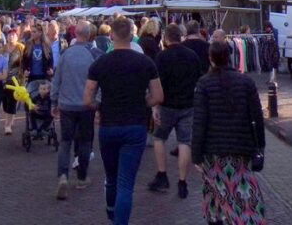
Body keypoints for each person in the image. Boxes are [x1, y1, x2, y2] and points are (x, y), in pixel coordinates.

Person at [84, 17, 164, 225]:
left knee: (111, 178)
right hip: (135, 126)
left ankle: (111, 213)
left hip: (109, 126)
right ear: (131, 35)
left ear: (111, 35)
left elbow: (87, 99)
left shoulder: (100, 63)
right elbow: (158, 96)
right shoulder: (145, 62)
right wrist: (142, 103)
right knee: (126, 183)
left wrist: (100, 107)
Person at [192, 41, 266, 225]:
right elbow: (257, 116)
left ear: (210, 58)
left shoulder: (204, 83)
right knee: (242, 194)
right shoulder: (246, 82)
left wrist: (196, 155)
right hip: (241, 148)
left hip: (213, 151)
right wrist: (260, 146)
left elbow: (200, 121)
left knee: (215, 190)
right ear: (230, 57)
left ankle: (217, 219)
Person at [147, 24, 202, 199]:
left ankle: (162, 175)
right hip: (188, 105)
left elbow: (156, 83)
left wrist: (155, 106)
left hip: (167, 105)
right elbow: (197, 79)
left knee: (159, 138)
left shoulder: (161, 57)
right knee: (184, 142)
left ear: (166, 38)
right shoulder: (192, 56)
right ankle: (182, 182)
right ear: (181, 37)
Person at [52, 20, 97, 200]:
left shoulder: (66, 54)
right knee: (85, 142)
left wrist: (54, 101)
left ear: (75, 34)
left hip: (67, 105)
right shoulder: (93, 55)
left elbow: (57, 79)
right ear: (89, 35)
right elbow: (98, 82)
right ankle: (82, 177)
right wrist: (97, 102)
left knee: (65, 142)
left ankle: (63, 176)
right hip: (86, 105)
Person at [3, 29, 25, 135]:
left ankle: (7, 125)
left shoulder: (20, 47)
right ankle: (11, 118)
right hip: (3, 78)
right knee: (5, 102)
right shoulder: (3, 48)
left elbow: (24, 61)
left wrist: (23, 74)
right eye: (9, 35)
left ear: (17, 37)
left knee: (12, 101)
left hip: (15, 79)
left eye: (13, 35)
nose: (11, 37)